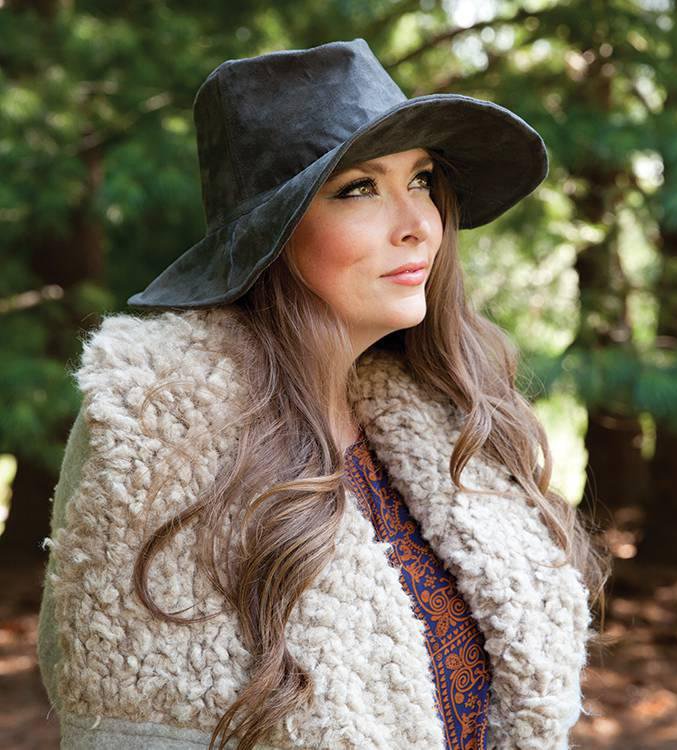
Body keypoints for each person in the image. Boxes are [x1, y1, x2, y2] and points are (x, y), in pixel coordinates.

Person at [36, 38, 612, 750]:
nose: (418, 224)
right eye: (359, 188)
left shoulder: (443, 414)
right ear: (270, 236)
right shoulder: (160, 433)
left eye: (423, 180)